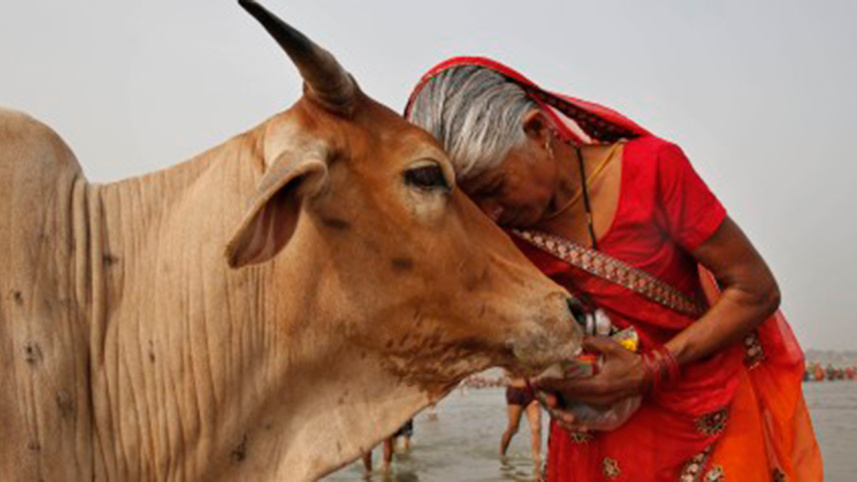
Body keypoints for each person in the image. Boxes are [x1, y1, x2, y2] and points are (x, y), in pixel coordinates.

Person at [405, 57, 823, 481]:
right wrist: (549, 389)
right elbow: (516, 336)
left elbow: (756, 291)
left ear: (537, 131)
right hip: (597, 441)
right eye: (474, 206)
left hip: (705, 416)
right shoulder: (504, 236)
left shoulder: (654, 171)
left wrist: (648, 370)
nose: (491, 216)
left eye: (494, 189)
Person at [500, 375, 542, 468]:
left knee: (536, 427)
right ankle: (502, 455)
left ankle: (537, 460)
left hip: (532, 391)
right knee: (513, 428)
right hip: (515, 390)